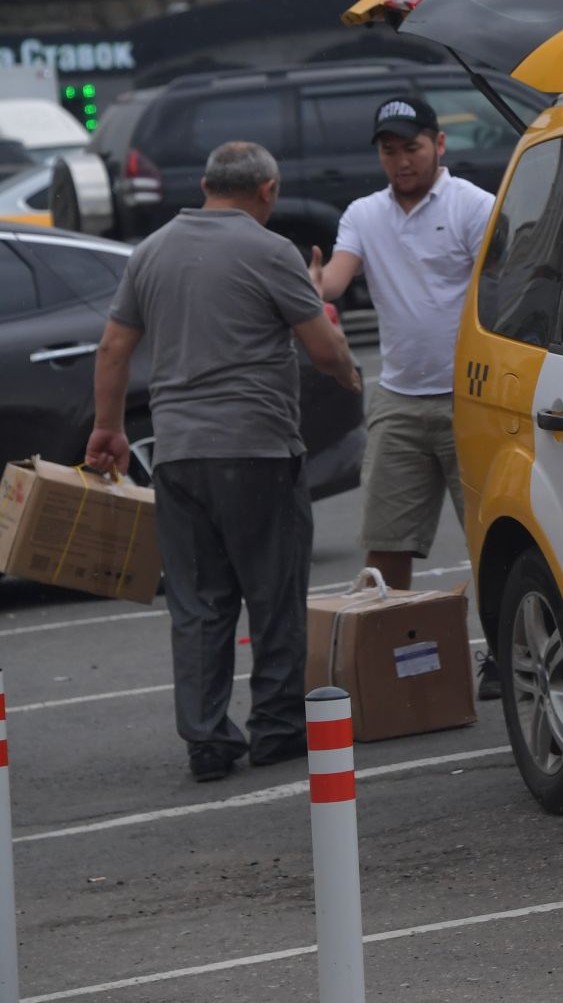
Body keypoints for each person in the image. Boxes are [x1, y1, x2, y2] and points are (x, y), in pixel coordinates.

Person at [88, 141, 361, 783]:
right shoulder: (271, 251)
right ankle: (277, 729)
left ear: (207, 183)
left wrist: (107, 429)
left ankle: (207, 741)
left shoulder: (149, 251)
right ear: (267, 191)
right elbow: (322, 348)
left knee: (199, 604)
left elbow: (111, 347)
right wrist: (348, 371)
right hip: (257, 448)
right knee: (273, 597)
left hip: (179, 456)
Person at [307, 95, 501, 699]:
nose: (401, 161)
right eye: (389, 151)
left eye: (412, 148)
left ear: (439, 145)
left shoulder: (473, 206)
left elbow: (499, 285)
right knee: (386, 536)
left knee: (491, 536)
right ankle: (389, 654)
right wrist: (313, 285)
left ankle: (501, 649)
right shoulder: (365, 214)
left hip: (472, 396)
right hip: (398, 396)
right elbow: (336, 277)